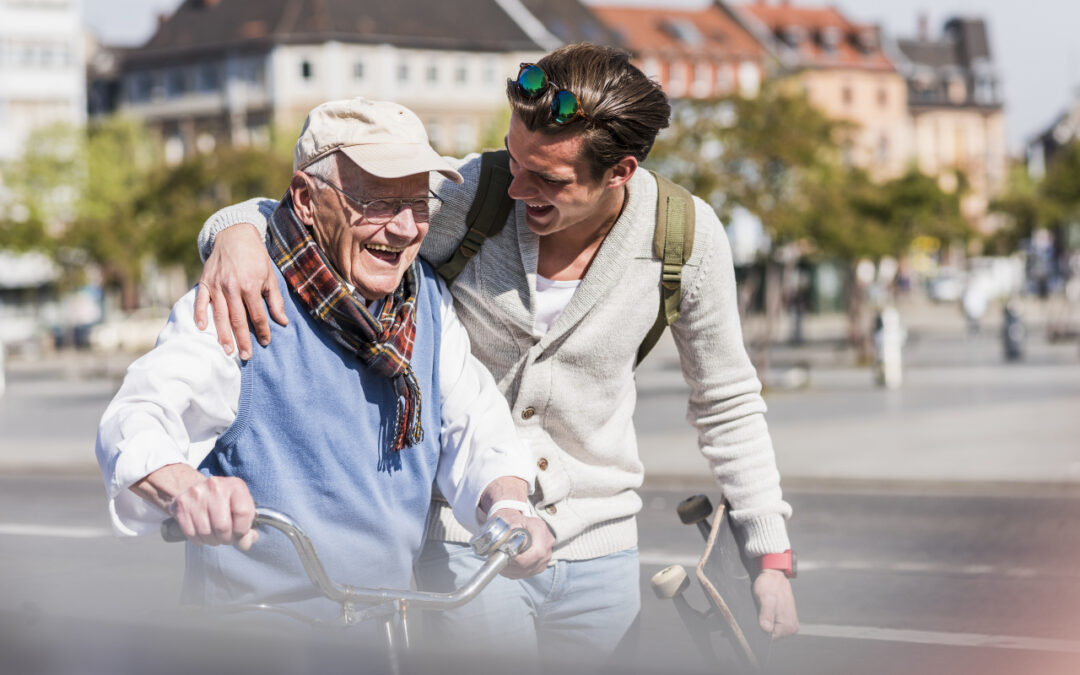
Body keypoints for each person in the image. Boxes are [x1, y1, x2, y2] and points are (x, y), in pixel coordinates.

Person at [193, 43, 798, 661]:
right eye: (514, 159)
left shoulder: (685, 239)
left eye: (548, 179)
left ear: (621, 172)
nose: (517, 185)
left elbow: (727, 400)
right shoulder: (471, 195)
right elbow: (323, 204)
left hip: (603, 544)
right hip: (466, 535)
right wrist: (235, 232)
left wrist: (767, 551)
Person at [94, 98, 553, 624]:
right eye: (378, 202)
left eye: (418, 202)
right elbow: (136, 418)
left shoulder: (423, 298)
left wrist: (510, 507)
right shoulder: (244, 294)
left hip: (384, 624)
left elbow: (474, 427)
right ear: (307, 200)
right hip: (254, 632)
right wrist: (190, 490)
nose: (405, 227)